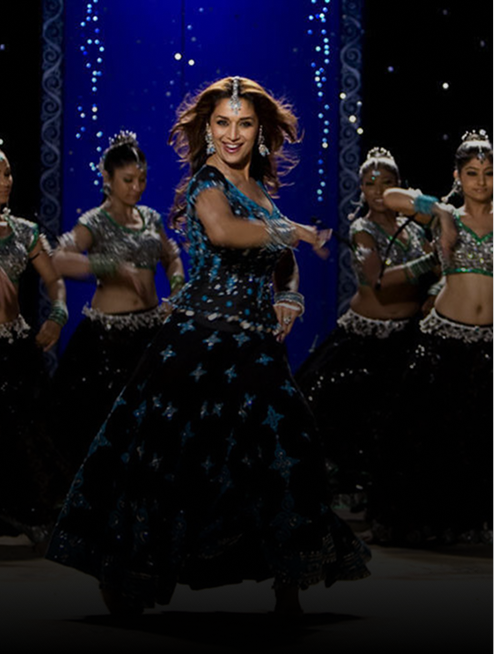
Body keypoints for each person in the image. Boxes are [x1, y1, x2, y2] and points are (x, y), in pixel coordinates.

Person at [45, 76, 370, 616]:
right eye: (222, 123)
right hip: (200, 342)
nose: (232, 134)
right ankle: (128, 573)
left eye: (244, 123)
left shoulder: (261, 192)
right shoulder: (205, 184)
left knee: (287, 450)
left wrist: (291, 298)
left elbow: (282, 264)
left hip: (257, 346)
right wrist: (293, 231)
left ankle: (288, 579)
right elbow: (224, 233)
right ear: (208, 129)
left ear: (260, 130)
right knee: (169, 463)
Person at [295, 147, 441, 531]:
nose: (378, 191)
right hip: (363, 340)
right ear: (360, 188)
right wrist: (430, 261)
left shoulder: (415, 228)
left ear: (400, 186)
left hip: (407, 337)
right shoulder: (362, 230)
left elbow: (443, 271)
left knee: (400, 422)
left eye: (387, 183)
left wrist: (434, 287)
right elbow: (378, 280)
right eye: (370, 183)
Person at [372, 130, 493, 546]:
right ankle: (433, 523)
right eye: (472, 173)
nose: (481, 182)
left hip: (489, 344)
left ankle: (475, 521)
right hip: (446, 341)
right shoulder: (450, 217)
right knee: (434, 436)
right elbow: (390, 197)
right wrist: (439, 211)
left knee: (479, 438)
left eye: (489, 173)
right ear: (458, 176)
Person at [48, 131, 186, 472]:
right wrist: (113, 267)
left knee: (153, 423)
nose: (137, 187)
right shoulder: (95, 221)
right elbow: (58, 259)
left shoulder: (150, 218)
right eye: (128, 180)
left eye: (142, 179)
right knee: (103, 425)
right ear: (107, 178)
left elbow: (171, 257)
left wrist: (177, 289)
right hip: (106, 340)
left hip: (150, 332)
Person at [0, 144, 69, 545]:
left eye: (8, 173)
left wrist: (57, 315)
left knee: (27, 432)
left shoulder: (25, 232)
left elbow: (54, 280)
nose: (6, 181)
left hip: (14, 350)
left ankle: (33, 513)